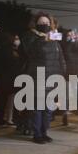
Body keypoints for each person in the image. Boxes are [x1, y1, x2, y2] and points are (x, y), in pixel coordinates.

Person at [25, 12, 66, 144]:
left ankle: (44, 132)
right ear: (36, 24)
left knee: (48, 108)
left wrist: (62, 74)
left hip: (52, 77)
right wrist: (44, 39)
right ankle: (37, 134)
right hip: (37, 76)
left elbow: (61, 59)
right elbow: (29, 52)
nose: (45, 25)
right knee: (37, 107)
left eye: (47, 23)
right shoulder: (31, 36)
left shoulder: (54, 39)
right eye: (41, 23)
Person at [61, 29, 78, 126]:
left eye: (73, 34)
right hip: (67, 74)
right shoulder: (65, 44)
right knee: (67, 97)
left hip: (77, 73)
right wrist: (69, 40)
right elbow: (66, 52)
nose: (72, 36)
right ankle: (65, 116)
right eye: (69, 35)